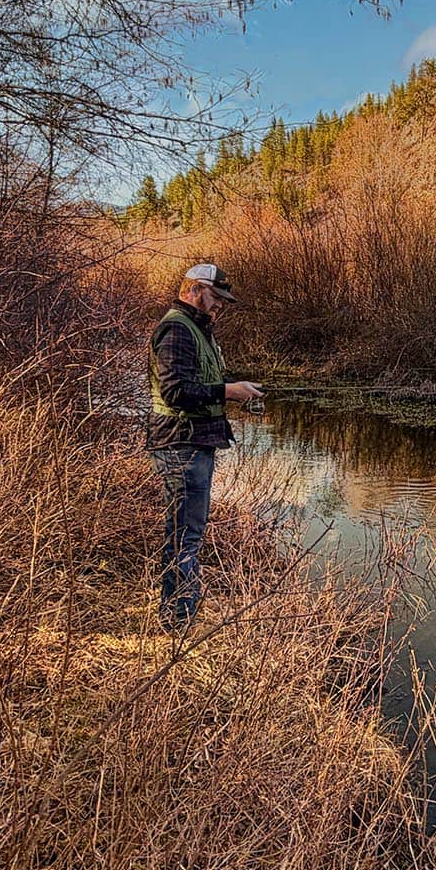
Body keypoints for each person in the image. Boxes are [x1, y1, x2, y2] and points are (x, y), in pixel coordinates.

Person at [146, 263, 261, 631]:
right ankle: (178, 622)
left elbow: (198, 383)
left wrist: (234, 389)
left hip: (192, 442)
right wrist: (228, 391)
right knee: (185, 536)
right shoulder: (178, 330)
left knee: (186, 533)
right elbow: (175, 392)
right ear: (195, 290)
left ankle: (180, 614)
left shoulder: (195, 329)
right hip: (180, 444)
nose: (221, 305)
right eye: (217, 297)